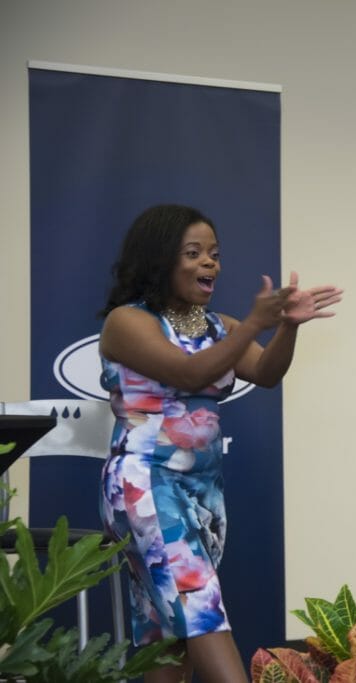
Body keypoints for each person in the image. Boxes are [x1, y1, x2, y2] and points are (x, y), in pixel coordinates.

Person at [98, 204, 343, 682]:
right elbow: (190, 371)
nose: (211, 263)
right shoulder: (127, 322)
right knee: (199, 607)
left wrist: (287, 326)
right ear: (160, 259)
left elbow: (266, 373)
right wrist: (254, 323)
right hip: (146, 486)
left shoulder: (216, 325)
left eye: (214, 254)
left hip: (201, 492)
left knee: (165, 632)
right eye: (194, 253)